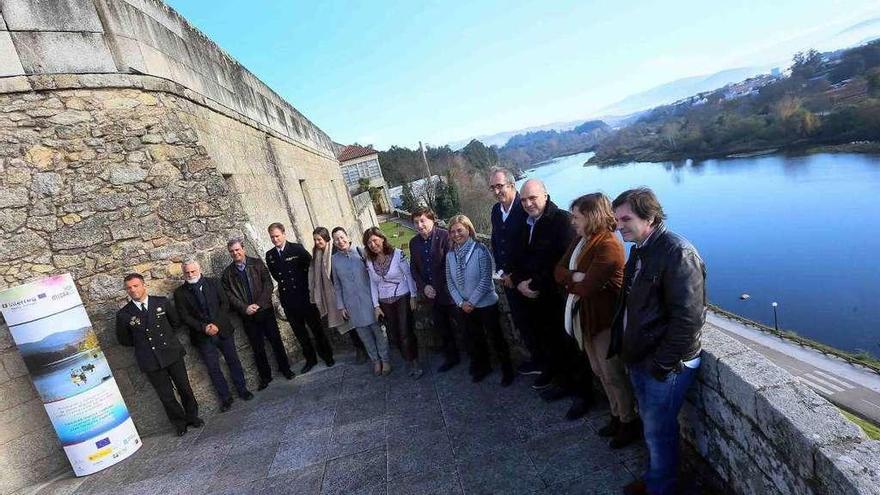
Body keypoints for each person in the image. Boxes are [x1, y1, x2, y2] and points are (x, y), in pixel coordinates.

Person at [608, 187, 706, 495]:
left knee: (657, 430)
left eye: (626, 219)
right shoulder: (641, 248)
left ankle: (661, 488)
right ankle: (657, 480)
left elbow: (688, 320)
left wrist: (661, 364)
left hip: (665, 364)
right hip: (643, 357)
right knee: (655, 429)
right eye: (616, 219)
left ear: (649, 217)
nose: (619, 225)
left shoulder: (678, 253)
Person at [554, 193, 639, 448]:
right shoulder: (582, 240)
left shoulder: (609, 245)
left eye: (577, 217)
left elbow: (587, 288)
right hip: (588, 320)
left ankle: (628, 422)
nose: (573, 222)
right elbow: (557, 271)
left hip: (605, 322)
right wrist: (575, 276)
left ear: (591, 217)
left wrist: (575, 280)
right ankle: (616, 416)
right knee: (599, 371)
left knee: (613, 374)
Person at [508, 179, 594, 420]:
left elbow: (561, 261)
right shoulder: (525, 222)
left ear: (545, 195)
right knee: (552, 345)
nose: (527, 203)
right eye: (523, 199)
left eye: (532, 198)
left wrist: (533, 284)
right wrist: (519, 281)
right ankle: (564, 383)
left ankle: (584, 396)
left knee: (572, 347)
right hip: (536, 298)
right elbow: (520, 256)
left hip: (559, 297)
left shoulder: (562, 221)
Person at [115, 273, 201, 436]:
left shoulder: (160, 302)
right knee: (166, 396)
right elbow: (124, 340)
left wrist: (166, 340)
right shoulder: (124, 314)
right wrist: (145, 345)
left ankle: (192, 417)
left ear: (143, 285)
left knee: (185, 388)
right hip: (150, 360)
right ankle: (179, 423)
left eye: (135, 286)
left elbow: (175, 323)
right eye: (129, 288)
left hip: (171, 353)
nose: (132, 290)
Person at [174, 260, 253, 412]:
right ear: (183, 273)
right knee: (213, 368)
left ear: (199, 270)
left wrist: (216, 324)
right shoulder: (180, 293)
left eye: (193, 271)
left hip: (222, 330)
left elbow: (224, 304)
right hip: (202, 336)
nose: (190, 274)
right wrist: (204, 328)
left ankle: (242, 389)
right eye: (187, 272)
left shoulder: (214, 283)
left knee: (233, 360)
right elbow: (184, 316)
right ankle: (225, 398)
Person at [445, 214, 515, 386]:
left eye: (459, 230)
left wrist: (472, 302)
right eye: (452, 231)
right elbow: (449, 281)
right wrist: (461, 303)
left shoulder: (480, 250)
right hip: (464, 306)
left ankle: (508, 371)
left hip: (485, 304)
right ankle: (484, 367)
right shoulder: (450, 256)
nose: (456, 234)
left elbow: (485, 279)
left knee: (495, 337)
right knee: (475, 339)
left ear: (468, 229)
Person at [221, 237, 294, 391]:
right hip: (247, 315)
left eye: (237, 250)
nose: (235, 253)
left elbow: (268, 284)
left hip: (265, 310)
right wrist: (244, 308)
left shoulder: (257, 263)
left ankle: (285, 369)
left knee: (276, 341)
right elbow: (229, 295)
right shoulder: (227, 274)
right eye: (232, 251)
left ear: (243, 249)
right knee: (257, 347)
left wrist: (259, 304)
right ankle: (265, 377)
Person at [488, 167, 541, 376]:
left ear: (512, 185)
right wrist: (501, 272)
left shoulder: (524, 208)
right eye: (493, 187)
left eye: (499, 186)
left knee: (537, 324)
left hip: (526, 280)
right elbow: (495, 242)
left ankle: (549, 368)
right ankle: (537, 362)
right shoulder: (495, 210)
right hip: (507, 280)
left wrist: (516, 276)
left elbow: (529, 248)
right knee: (522, 323)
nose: (496, 191)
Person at [265, 222, 335, 373]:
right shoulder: (270, 255)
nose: (275, 239)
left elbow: (311, 267)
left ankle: (327, 356)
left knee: (316, 329)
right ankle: (310, 359)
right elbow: (277, 276)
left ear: (284, 234)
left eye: (277, 236)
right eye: (272, 237)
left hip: (305, 298)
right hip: (288, 300)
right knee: (300, 334)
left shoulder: (296, 249)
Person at [331, 227, 391, 375]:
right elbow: (337, 285)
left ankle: (385, 360)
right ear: (334, 242)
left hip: (369, 300)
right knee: (365, 336)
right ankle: (375, 361)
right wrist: (341, 306)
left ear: (347, 236)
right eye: (336, 239)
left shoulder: (361, 252)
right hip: (352, 305)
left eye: (342, 237)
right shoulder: (334, 260)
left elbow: (374, 275)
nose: (340, 241)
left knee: (379, 333)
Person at [363, 227, 422, 378]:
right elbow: (373, 284)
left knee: (405, 332)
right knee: (394, 334)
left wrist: (413, 296)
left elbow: (408, 275)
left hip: (402, 297)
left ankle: (413, 362)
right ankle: (407, 358)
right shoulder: (370, 261)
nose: (373, 244)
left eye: (375, 240)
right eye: (369, 242)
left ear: (382, 239)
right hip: (384, 301)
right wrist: (376, 306)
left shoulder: (397, 255)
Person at [408, 207, 460, 372]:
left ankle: (477, 358)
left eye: (423, 220)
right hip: (432, 296)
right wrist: (424, 287)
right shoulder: (414, 243)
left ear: (432, 220)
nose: (419, 225)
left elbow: (450, 264)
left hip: (450, 293)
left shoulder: (445, 236)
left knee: (464, 326)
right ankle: (451, 358)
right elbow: (414, 269)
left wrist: (435, 287)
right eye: (416, 222)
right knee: (442, 329)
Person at [309, 227, 367, 364]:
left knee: (358, 322)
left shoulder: (333, 252)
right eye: (315, 240)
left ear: (327, 239)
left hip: (346, 292)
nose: (317, 242)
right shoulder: (317, 255)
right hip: (333, 297)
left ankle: (366, 348)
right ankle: (360, 349)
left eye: (320, 239)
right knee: (348, 325)